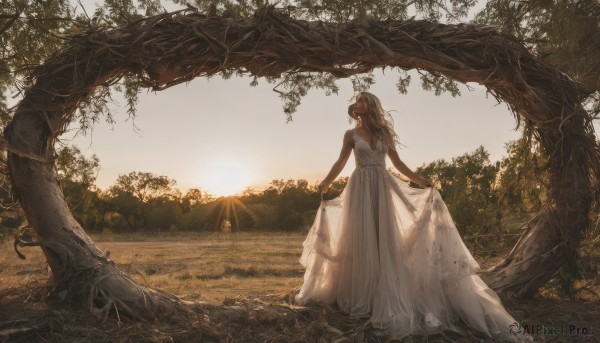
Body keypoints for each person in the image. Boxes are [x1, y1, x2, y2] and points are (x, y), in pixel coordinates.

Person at [295, 92, 532, 342]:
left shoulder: (384, 134)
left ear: (371, 105)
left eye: (361, 100)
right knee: (361, 236)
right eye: (355, 101)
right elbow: (341, 162)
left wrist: (422, 181)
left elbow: (398, 164)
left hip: (382, 187)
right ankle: (361, 291)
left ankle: (383, 287)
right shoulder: (350, 135)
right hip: (360, 187)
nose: (356, 104)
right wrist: (325, 182)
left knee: (384, 237)